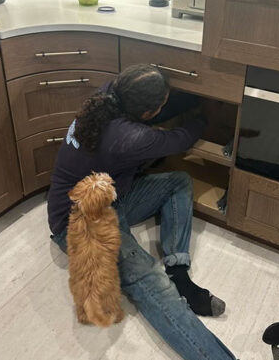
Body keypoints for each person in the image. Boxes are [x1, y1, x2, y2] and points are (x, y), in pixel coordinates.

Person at [47, 64, 237, 360]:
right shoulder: (131, 138)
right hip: (79, 224)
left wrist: (198, 99)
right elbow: (181, 139)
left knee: (178, 182)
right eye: (161, 103)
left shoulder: (109, 94)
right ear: (148, 112)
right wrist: (205, 118)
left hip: (109, 198)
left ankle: (178, 272)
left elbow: (156, 116)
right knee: (151, 281)